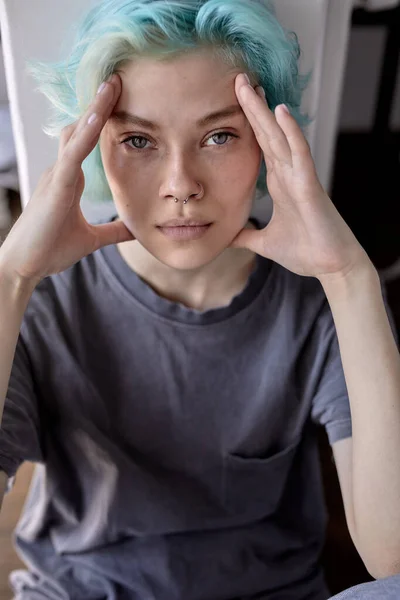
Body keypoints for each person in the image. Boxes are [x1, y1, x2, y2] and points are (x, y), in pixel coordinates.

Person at [0, 0, 400, 598]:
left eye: (218, 136)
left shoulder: (318, 299)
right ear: (92, 148)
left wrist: (351, 278)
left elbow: (391, 555)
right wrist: (9, 281)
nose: (181, 185)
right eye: (138, 139)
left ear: (267, 141)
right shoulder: (46, 298)